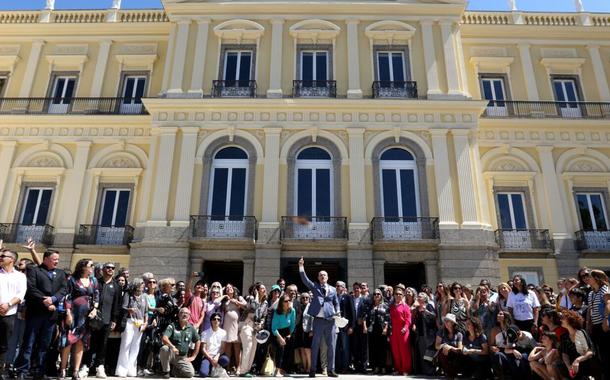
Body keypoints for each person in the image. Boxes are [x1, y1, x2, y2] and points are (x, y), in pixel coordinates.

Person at [14, 249, 67, 380]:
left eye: (58, 259)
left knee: (45, 344)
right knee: (29, 342)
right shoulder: (34, 270)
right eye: (54, 259)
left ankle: (39, 370)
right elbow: (31, 288)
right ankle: (22, 370)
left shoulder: (60, 273)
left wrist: (54, 299)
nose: (57, 261)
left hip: (51, 315)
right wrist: (45, 300)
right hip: (36, 312)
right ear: (46, 259)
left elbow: (63, 289)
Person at [297, 257, 340, 378]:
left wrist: (338, 312)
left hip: (330, 320)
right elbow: (305, 280)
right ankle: (313, 370)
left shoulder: (332, 289)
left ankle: (331, 370)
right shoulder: (314, 286)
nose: (322, 277)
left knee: (331, 346)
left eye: (324, 275)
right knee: (315, 345)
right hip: (318, 321)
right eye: (320, 275)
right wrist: (301, 267)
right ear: (318, 277)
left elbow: (336, 303)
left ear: (327, 277)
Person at [58, 259, 100, 380]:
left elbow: (96, 295)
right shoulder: (72, 279)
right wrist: (68, 313)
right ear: (83, 267)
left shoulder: (93, 280)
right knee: (68, 341)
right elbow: (67, 297)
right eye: (91, 265)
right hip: (73, 314)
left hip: (87, 316)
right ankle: (63, 369)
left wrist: (95, 309)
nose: (93, 267)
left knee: (81, 342)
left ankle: (76, 371)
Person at [86, 262, 121, 379]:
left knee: (103, 345)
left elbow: (117, 304)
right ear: (103, 269)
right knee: (91, 344)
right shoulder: (96, 282)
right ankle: (85, 366)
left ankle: (100, 367)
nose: (110, 269)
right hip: (93, 319)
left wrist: (114, 319)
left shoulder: (116, 286)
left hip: (107, 320)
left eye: (112, 268)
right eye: (108, 267)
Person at [0, 248, 27, 379]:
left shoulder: (20, 276)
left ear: (12, 259)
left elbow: (20, 294)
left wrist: (8, 304)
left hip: (8, 314)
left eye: (3, 256)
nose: (0, 257)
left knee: (3, 345)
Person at [115, 279, 148, 377]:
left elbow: (146, 311)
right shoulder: (128, 294)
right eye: (141, 284)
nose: (143, 286)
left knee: (136, 346)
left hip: (140, 323)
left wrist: (146, 323)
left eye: (143, 285)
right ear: (135, 285)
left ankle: (131, 370)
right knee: (126, 345)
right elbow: (123, 307)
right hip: (130, 321)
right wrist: (130, 309)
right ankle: (121, 370)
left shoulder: (144, 296)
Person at [559, 309, 602, 380]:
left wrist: (578, 360)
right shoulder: (564, 336)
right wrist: (569, 367)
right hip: (573, 367)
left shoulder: (581, 333)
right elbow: (564, 355)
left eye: (563, 318)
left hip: (586, 364)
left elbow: (590, 352)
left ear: (570, 320)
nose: (560, 320)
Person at [583, 269, 610, 379]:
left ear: (596, 278)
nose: (587, 278)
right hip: (595, 326)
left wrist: (606, 320)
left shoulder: (605, 290)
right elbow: (590, 309)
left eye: (590, 276)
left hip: (604, 325)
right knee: (599, 352)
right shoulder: (590, 293)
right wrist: (588, 323)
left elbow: (608, 304)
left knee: (607, 351)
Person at [160, 308, 200, 378]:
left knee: (190, 373)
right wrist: (172, 347)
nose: (184, 315)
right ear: (178, 315)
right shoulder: (172, 326)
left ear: (189, 316)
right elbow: (164, 338)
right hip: (171, 354)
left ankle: (174, 370)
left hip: (182, 357)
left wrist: (194, 356)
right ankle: (166, 371)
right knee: (164, 348)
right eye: (182, 313)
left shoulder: (191, 328)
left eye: (187, 313)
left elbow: (198, 340)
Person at [220, 283, 246, 374]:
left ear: (234, 289)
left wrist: (236, 302)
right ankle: (227, 368)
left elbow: (246, 306)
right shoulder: (224, 300)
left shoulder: (239, 298)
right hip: (226, 326)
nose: (228, 289)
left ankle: (238, 367)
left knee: (237, 348)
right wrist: (223, 294)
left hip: (236, 325)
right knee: (227, 348)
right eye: (226, 288)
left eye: (230, 287)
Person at [364, 289, 390, 375]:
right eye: (375, 294)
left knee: (382, 348)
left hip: (382, 329)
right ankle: (375, 367)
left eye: (378, 294)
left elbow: (387, 318)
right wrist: (365, 326)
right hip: (372, 329)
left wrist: (386, 328)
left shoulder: (385, 306)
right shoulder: (370, 306)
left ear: (381, 296)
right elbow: (365, 317)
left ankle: (383, 367)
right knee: (373, 349)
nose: (376, 295)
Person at [412, 292, 436, 376]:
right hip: (420, 334)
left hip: (429, 334)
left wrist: (426, 311)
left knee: (429, 353)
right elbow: (415, 319)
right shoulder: (417, 308)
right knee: (422, 353)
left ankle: (430, 371)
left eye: (420, 297)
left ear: (425, 299)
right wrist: (414, 325)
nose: (418, 298)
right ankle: (423, 370)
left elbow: (434, 317)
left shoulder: (429, 306)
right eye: (418, 297)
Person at [271, 295, 296, 377]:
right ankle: (277, 370)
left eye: (289, 300)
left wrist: (289, 334)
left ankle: (283, 369)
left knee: (288, 350)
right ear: (281, 303)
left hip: (287, 331)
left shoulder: (292, 311)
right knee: (280, 348)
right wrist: (280, 338)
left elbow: (292, 324)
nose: (288, 302)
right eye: (286, 301)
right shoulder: (276, 312)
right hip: (277, 332)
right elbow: (274, 328)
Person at [389, 287, 412, 375]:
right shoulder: (391, 306)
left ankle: (406, 369)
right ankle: (398, 369)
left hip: (403, 330)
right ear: (394, 295)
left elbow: (408, 319)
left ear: (403, 296)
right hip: (393, 331)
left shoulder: (405, 306)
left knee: (404, 351)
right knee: (395, 351)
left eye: (400, 294)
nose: (398, 295)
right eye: (396, 294)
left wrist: (405, 327)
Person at [199, 312, 229, 378]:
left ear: (220, 322)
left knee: (225, 360)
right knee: (203, 374)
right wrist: (210, 359)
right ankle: (212, 369)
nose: (216, 321)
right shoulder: (205, 333)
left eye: (218, 319)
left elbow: (223, 348)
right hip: (208, 356)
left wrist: (217, 356)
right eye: (214, 319)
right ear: (211, 321)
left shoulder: (223, 332)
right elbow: (203, 349)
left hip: (218, 356)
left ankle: (217, 368)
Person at [435, 313, 464, 379]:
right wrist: (444, 345)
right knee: (442, 352)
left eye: (448, 321)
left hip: (455, 354)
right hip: (445, 354)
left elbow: (459, 349)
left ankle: (451, 373)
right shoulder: (441, 332)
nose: (445, 323)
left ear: (453, 323)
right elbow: (436, 346)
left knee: (458, 356)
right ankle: (450, 373)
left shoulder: (459, 334)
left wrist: (450, 347)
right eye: (445, 321)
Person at [334, 281, 354, 374]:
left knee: (345, 347)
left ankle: (345, 367)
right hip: (334, 326)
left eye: (339, 286)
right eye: (336, 286)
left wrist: (351, 327)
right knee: (336, 347)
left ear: (344, 287)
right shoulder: (333, 297)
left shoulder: (348, 297)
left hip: (345, 326)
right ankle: (337, 367)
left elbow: (352, 312)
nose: (337, 287)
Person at [350, 282, 367, 374]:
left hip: (362, 326)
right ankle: (357, 367)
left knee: (363, 347)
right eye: (355, 288)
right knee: (355, 347)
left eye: (358, 288)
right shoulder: (351, 299)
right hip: (354, 326)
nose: (356, 290)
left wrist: (363, 319)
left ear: (361, 289)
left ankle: (363, 367)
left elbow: (367, 311)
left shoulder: (365, 299)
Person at [298, 293, 313, 375]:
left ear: (309, 298)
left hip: (307, 330)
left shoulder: (311, 306)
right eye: (303, 297)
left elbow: (312, 318)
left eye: (307, 297)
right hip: (300, 330)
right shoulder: (299, 307)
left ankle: (309, 367)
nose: (305, 299)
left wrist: (311, 330)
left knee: (307, 350)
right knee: (302, 349)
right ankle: (304, 367)